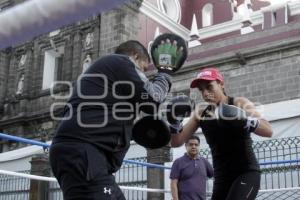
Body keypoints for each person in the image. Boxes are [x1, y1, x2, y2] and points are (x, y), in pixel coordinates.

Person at [49, 40, 173, 200]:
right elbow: (152, 98)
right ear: (135, 56)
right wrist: (164, 75)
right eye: (143, 68)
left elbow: (125, 122)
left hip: (80, 153)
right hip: (83, 152)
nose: (143, 75)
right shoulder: (121, 62)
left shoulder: (106, 80)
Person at [169, 67, 273, 200]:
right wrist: (174, 123)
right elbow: (176, 142)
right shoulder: (201, 113)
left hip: (246, 172)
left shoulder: (238, 103)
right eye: (201, 90)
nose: (206, 93)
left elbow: (268, 130)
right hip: (222, 178)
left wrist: (245, 121)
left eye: (209, 87)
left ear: (221, 84)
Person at [170, 135, 213, 200]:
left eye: (196, 145)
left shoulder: (204, 161)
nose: (194, 147)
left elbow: (215, 174)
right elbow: (173, 183)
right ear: (186, 146)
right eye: (191, 144)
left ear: (199, 146)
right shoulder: (178, 162)